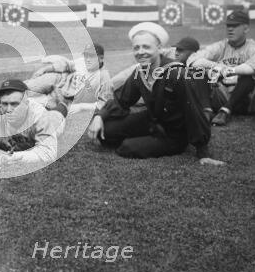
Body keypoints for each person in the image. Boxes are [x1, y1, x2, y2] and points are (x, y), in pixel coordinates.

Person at [87, 22, 224, 165]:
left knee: (127, 148)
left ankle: (155, 141)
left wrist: (203, 151)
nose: (140, 52)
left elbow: (194, 110)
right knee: (105, 132)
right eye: (136, 48)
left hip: (174, 133)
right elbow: (121, 99)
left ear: (159, 48)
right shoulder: (140, 72)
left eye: (146, 46)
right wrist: (99, 116)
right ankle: (145, 136)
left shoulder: (177, 74)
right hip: (152, 120)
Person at [187, 10, 255, 126]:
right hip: (222, 97)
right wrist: (216, 66)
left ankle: (226, 110)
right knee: (198, 71)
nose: (230, 29)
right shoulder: (220, 46)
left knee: (249, 75)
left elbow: (252, 68)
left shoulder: (254, 48)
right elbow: (192, 60)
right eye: (228, 25)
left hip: (246, 101)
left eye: (235, 26)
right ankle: (207, 111)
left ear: (246, 28)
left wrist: (228, 71)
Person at [0, 79, 64, 165]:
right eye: (5, 103)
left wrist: (15, 157)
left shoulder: (40, 115)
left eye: (15, 104)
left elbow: (48, 153)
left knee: (57, 115)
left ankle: (63, 104)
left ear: (26, 103)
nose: (9, 109)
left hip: (52, 119)